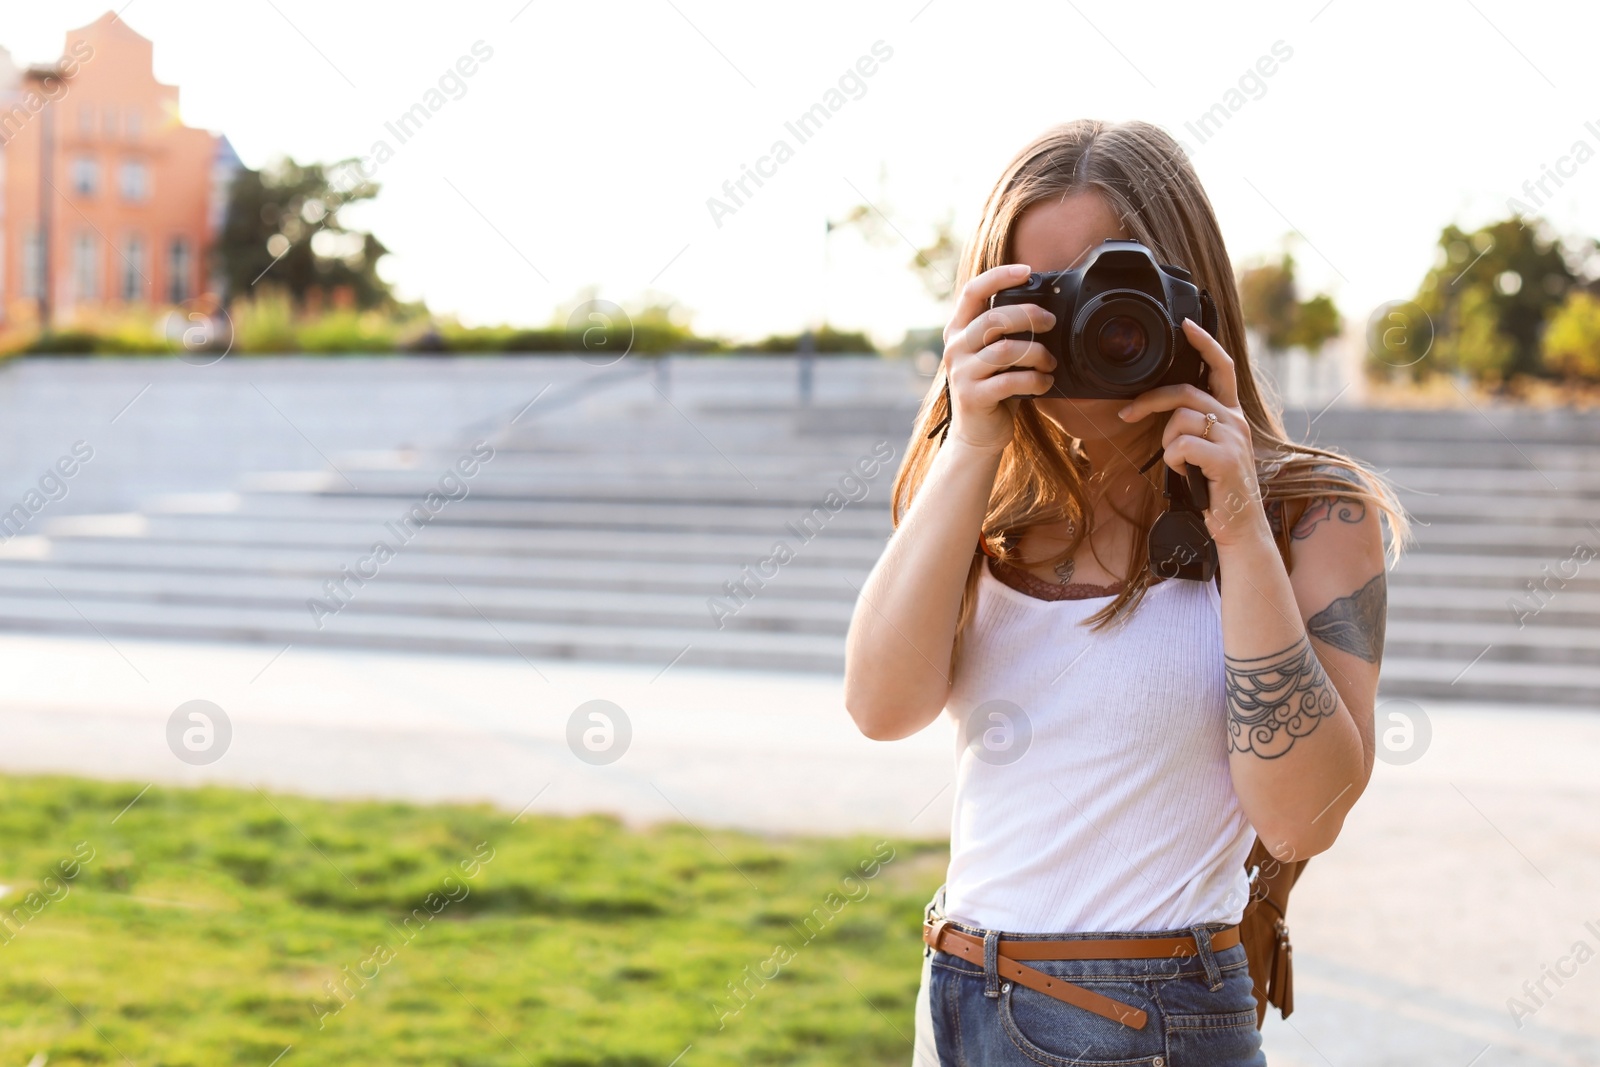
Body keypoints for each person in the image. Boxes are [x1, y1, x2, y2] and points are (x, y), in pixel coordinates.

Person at [842, 119, 1409, 1065]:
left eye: (1120, 288)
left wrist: (1233, 522)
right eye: (1044, 298)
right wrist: (970, 441)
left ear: (1195, 293)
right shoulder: (987, 497)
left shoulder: (1310, 514)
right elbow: (881, 706)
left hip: (1143, 1021)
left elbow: (1303, 816)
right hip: (955, 998)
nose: (1091, 326)